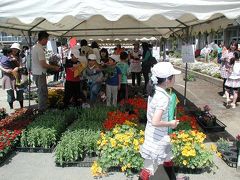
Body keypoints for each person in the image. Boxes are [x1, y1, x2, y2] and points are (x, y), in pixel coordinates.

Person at [140, 62, 181, 179]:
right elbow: (155, 121)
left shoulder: (155, 91)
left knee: (167, 158)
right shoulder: (162, 97)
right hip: (157, 138)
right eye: (173, 76)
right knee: (148, 168)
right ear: (167, 80)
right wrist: (171, 123)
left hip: (155, 134)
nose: (175, 78)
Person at [32, 31, 60, 112]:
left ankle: (42, 109)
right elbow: (43, 64)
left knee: (41, 91)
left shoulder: (35, 47)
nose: (47, 41)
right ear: (43, 39)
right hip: (40, 73)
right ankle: (42, 110)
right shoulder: (39, 49)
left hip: (36, 73)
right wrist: (54, 67)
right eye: (47, 39)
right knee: (42, 92)